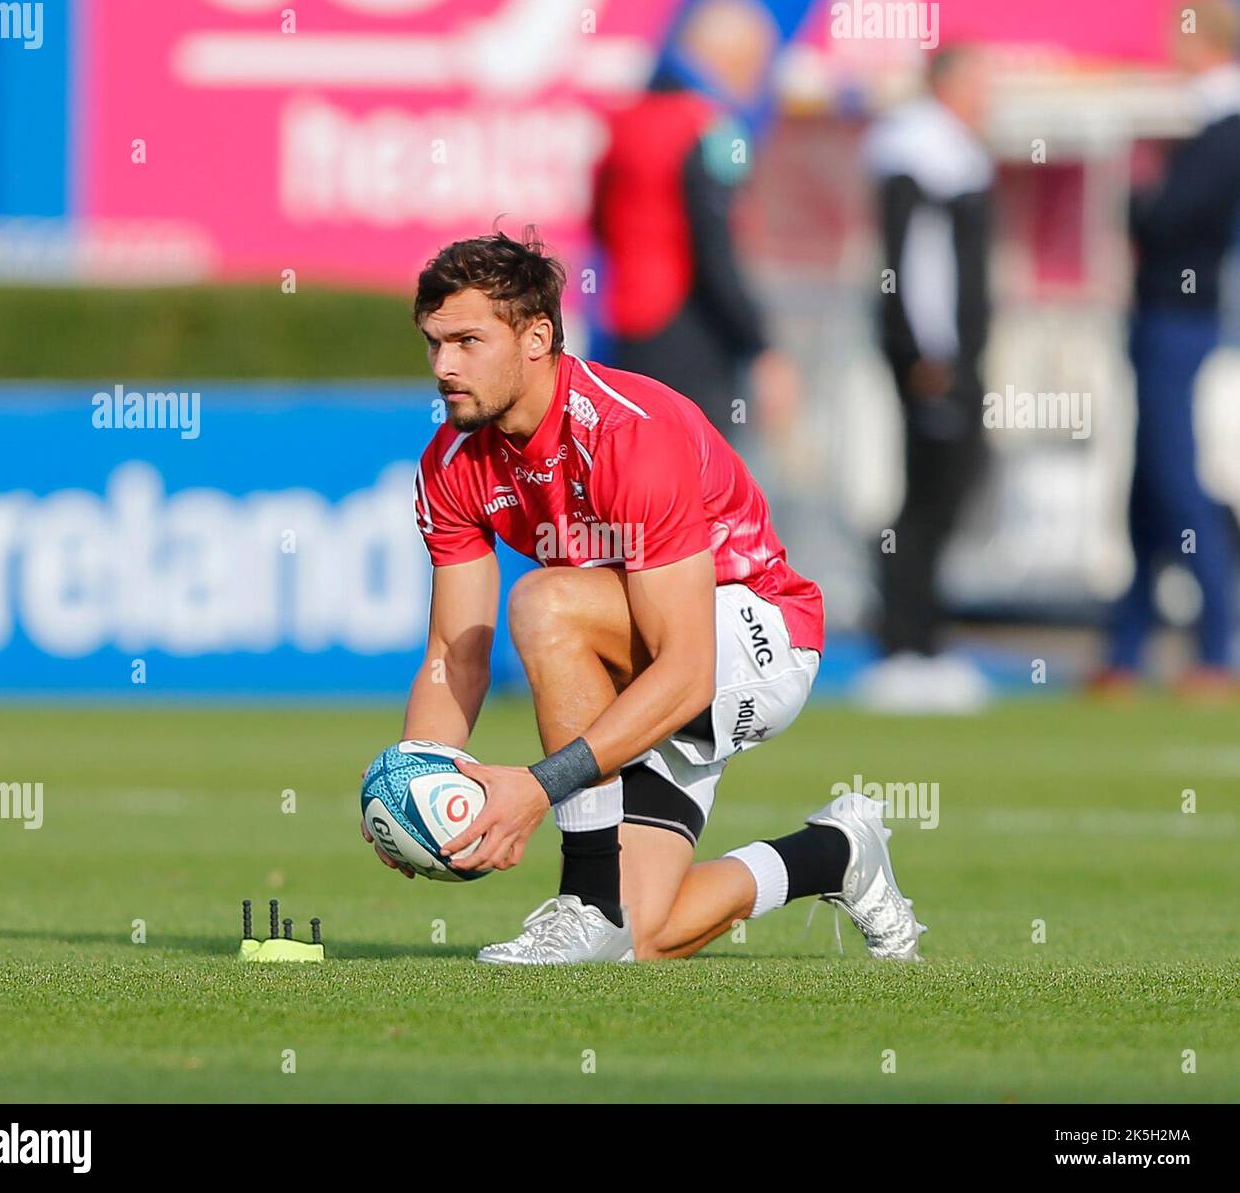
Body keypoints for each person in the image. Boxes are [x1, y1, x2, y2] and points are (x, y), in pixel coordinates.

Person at [361, 229, 925, 966]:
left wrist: (537, 789)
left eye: (467, 341)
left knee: (546, 605)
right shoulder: (453, 463)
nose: (444, 366)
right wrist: (416, 788)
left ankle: (587, 896)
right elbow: (452, 656)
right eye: (434, 343)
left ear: (537, 338)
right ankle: (836, 854)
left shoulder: (630, 433)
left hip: (752, 639)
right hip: (642, 669)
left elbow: (687, 667)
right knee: (644, 937)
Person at [1097, 0, 1240, 698]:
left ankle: (1217, 645)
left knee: (1176, 482)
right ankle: (1127, 647)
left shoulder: (1222, 128)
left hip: (1176, 321)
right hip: (1166, 319)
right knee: (1149, 486)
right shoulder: (1205, 126)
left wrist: (1138, 204)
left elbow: (1170, 223)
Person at [590, 0, 803, 440]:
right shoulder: (712, 129)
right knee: (700, 485)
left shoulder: (626, 122)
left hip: (626, 328)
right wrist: (759, 345)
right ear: (732, 59)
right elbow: (715, 249)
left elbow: (600, 224)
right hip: (692, 334)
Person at [855, 45, 996, 714]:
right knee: (930, 491)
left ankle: (921, 636)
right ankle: (908, 641)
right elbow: (918, 263)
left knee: (949, 488)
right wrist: (933, 350)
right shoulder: (922, 157)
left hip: (948, 354)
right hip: (937, 358)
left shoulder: (946, 154)